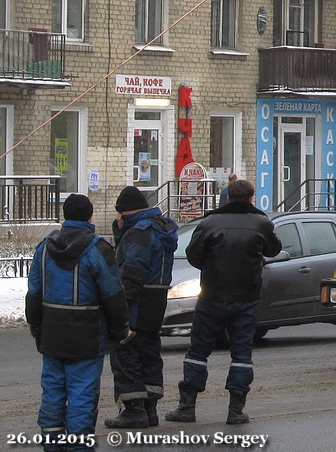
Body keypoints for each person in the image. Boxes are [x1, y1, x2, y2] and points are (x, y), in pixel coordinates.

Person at [165, 179, 282, 426]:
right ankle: (235, 410)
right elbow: (274, 250)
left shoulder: (209, 223)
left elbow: (193, 254)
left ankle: (187, 407)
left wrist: (212, 268)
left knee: (198, 351)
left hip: (212, 296)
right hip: (247, 298)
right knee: (241, 354)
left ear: (228, 197)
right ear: (251, 198)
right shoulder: (261, 223)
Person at [25, 193, 133, 452]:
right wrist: (121, 329)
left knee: (52, 391)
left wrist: (37, 328)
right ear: (90, 216)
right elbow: (113, 294)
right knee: (82, 395)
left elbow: (34, 294)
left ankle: (51, 443)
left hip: (52, 335)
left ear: (64, 216)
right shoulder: (97, 249)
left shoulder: (43, 249)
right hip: (87, 336)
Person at [104, 186, 178, 429]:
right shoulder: (159, 228)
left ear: (124, 213)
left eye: (118, 215)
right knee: (149, 354)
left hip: (136, 304)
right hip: (155, 304)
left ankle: (133, 411)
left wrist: (118, 308)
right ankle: (150, 410)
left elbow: (132, 272)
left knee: (127, 354)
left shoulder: (139, 231)